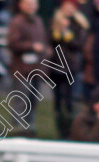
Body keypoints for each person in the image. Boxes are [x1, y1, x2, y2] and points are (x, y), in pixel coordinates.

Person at [8, 0, 50, 133]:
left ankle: (29, 129)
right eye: (28, 3)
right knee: (21, 101)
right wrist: (31, 46)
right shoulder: (17, 22)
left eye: (33, 3)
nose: (31, 6)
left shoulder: (38, 21)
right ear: (21, 5)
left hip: (36, 69)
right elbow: (12, 43)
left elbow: (43, 40)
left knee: (33, 101)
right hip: (22, 70)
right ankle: (17, 129)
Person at [50, 0, 90, 139]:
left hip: (72, 67)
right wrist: (58, 31)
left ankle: (70, 131)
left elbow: (79, 44)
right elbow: (51, 41)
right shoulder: (54, 21)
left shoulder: (79, 24)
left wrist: (67, 34)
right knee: (58, 100)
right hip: (56, 67)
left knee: (70, 101)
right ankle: (60, 130)